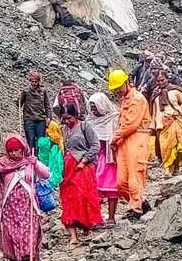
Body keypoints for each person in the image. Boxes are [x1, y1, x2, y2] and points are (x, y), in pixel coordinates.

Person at [0, 134, 50, 261]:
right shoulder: (2, 164)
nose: (13, 153)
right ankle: (14, 257)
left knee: (28, 231)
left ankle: (26, 256)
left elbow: (46, 174)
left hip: (28, 205)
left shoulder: (30, 162)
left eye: (16, 150)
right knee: (12, 232)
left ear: (22, 149)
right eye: (10, 150)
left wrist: (35, 163)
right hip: (10, 207)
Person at [108, 69, 152, 223]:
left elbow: (131, 124)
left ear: (126, 83)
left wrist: (114, 139)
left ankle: (136, 208)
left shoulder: (137, 99)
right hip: (124, 141)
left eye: (118, 87)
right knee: (121, 182)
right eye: (115, 89)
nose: (117, 91)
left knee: (135, 175)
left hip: (137, 138)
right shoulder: (124, 100)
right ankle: (141, 201)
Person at [60, 105, 102, 246]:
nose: (66, 122)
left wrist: (84, 161)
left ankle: (86, 226)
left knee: (82, 197)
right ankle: (73, 236)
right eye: (64, 119)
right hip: (68, 169)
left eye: (69, 118)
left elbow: (95, 146)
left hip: (83, 168)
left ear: (75, 116)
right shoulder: (64, 130)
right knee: (69, 199)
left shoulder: (85, 127)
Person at [150, 71, 182, 176]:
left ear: (167, 79)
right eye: (158, 81)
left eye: (162, 80)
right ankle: (168, 168)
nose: (160, 82)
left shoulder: (175, 91)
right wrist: (152, 125)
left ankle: (173, 168)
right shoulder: (155, 94)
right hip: (160, 124)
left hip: (174, 120)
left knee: (176, 145)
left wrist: (178, 111)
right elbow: (154, 112)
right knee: (164, 147)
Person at [87, 93, 120, 228]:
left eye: (96, 108)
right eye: (92, 108)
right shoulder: (89, 121)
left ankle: (111, 217)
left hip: (110, 159)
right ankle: (97, 217)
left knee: (112, 189)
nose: (94, 111)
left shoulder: (113, 119)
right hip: (95, 160)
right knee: (94, 190)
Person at [17, 71, 51, 152]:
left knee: (41, 141)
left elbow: (47, 105)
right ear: (30, 81)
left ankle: (40, 159)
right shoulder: (25, 91)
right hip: (29, 119)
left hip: (40, 120)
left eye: (36, 81)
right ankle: (31, 158)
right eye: (32, 82)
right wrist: (18, 99)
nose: (34, 83)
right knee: (30, 141)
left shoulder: (43, 91)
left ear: (39, 81)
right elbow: (19, 105)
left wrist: (49, 117)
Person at [36, 120, 64, 188]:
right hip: (54, 179)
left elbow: (40, 144)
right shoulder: (58, 142)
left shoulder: (45, 141)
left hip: (45, 174)